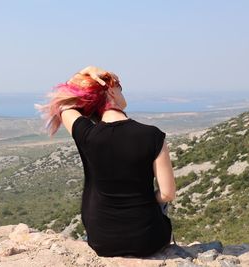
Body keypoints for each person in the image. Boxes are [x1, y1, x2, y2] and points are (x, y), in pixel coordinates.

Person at [34, 66, 176, 257]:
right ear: (110, 91)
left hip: (102, 241)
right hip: (148, 240)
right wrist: (143, 200)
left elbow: (63, 101)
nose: (122, 91)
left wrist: (85, 72)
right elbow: (167, 194)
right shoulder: (152, 135)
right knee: (159, 207)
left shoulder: (86, 134)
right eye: (120, 88)